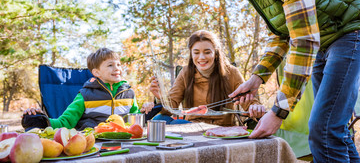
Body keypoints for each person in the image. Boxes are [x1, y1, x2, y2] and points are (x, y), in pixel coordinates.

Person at [200, 0, 360, 162]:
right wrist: (257, 78)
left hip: (348, 32)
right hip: (323, 43)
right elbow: (280, 35)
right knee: (336, 130)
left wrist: (278, 113)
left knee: (324, 129)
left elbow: (304, 41)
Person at [150, 30, 265, 125]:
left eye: (207, 52)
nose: (201, 57)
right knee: (158, 120)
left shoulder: (231, 72)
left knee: (173, 124)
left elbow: (248, 101)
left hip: (221, 128)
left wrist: (255, 107)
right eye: (196, 52)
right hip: (192, 127)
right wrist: (160, 98)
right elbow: (171, 106)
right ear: (191, 54)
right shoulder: (185, 73)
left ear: (215, 53)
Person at [22, 48, 154, 130]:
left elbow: (135, 120)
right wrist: (42, 121)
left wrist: (146, 111)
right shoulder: (85, 95)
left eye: (118, 64)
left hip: (124, 143)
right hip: (93, 143)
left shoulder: (129, 93)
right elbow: (66, 121)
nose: (117, 68)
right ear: (97, 73)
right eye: (110, 65)